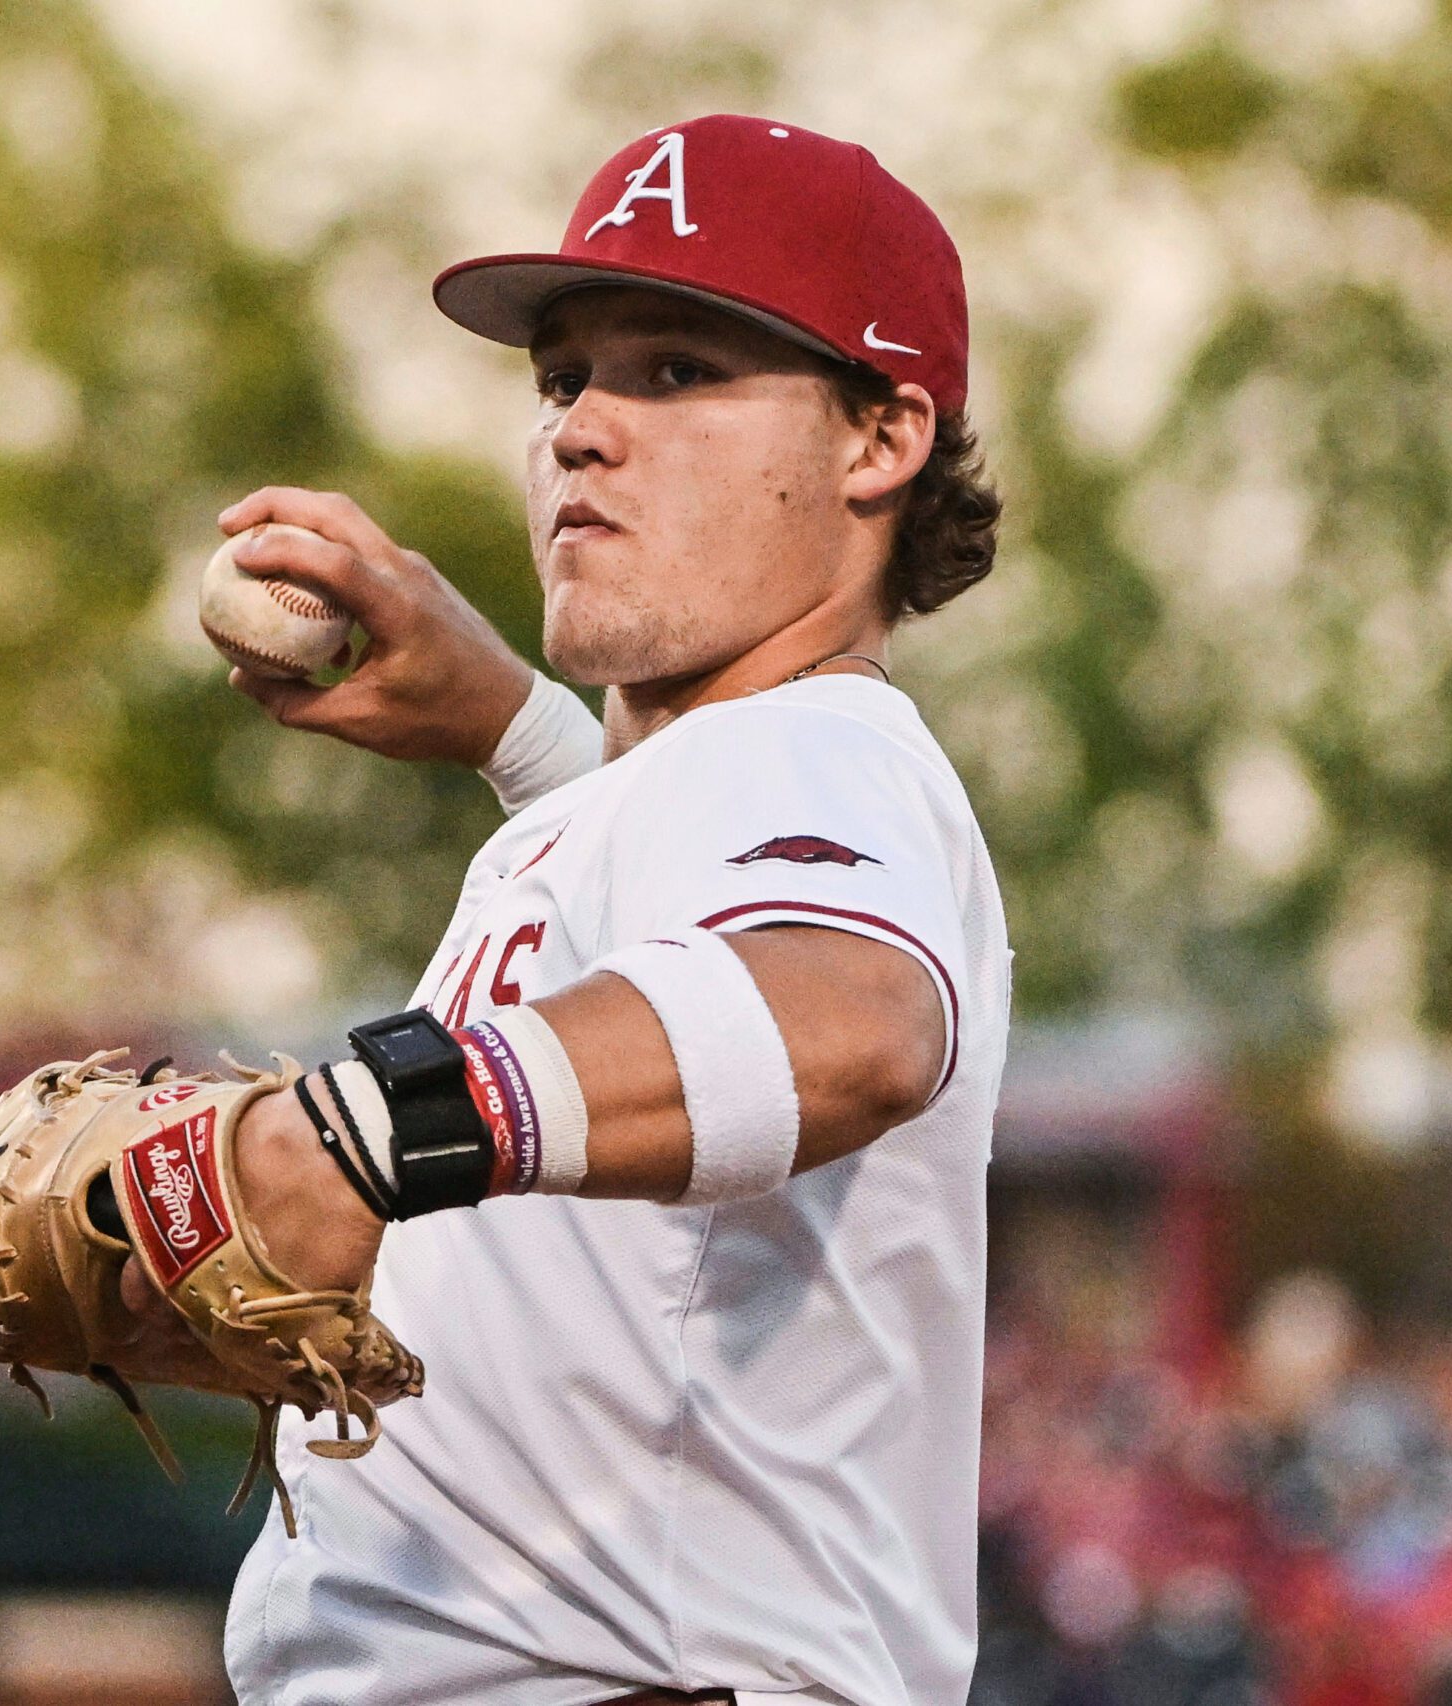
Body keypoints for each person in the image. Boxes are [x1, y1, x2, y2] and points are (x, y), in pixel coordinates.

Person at [136, 114, 1010, 1706]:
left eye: (677, 370)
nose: (584, 430)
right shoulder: (698, 785)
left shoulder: (817, 743)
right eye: (561, 381)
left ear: (880, 439)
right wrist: (519, 732)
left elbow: (852, 1019)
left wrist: (359, 1131)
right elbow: (667, 899)